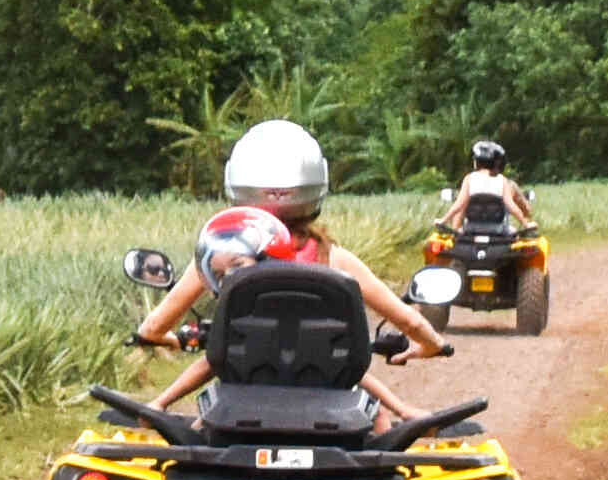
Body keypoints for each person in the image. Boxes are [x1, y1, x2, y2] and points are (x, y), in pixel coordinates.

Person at [137, 118, 443, 410]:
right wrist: (432, 345)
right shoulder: (333, 258)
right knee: (380, 423)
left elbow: (152, 327)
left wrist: (166, 339)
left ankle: (158, 405)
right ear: (315, 184)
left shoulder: (221, 256)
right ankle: (402, 412)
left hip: (240, 400)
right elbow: (410, 322)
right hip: (326, 401)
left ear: (236, 183)